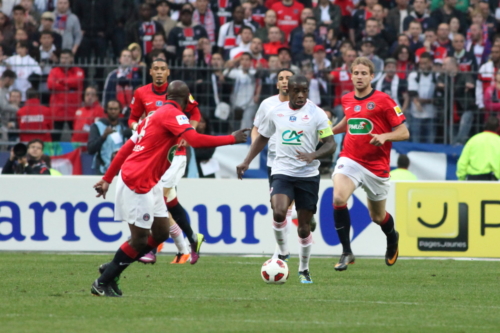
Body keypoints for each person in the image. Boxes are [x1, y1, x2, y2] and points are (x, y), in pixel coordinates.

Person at [91, 81, 249, 297]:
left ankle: (112, 268)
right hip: (138, 181)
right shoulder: (173, 114)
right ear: (185, 100)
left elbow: (127, 147)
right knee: (139, 239)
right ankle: (102, 281)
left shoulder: (153, 116)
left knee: (161, 232)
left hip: (151, 181)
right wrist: (232, 138)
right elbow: (194, 139)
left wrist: (107, 179)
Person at [237, 75, 335, 284]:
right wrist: (246, 161)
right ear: (288, 91)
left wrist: (314, 155)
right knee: (279, 211)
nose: (300, 95)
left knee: (304, 227)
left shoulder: (316, 113)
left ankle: (304, 269)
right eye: (296, 91)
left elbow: (330, 143)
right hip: (282, 171)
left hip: (308, 175)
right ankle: (282, 251)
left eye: (304, 91)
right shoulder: (276, 112)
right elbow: (262, 137)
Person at [330, 57, 409, 271]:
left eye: (364, 73)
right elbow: (348, 122)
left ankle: (392, 238)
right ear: (351, 75)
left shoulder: (384, 100)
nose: (359, 77)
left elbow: (404, 132)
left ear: (372, 76)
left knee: (377, 216)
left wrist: (385, 136)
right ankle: (347, 252)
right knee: (338, 197)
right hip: (350, 159)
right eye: (356, 73)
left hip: (376, 167)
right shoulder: (347, 99)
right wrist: (326, 132)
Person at [128, 58, 205, 265]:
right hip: (155, 155)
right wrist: (138, 128)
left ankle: (151, 248)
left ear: (168, 72)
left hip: (175, 154)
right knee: (169, 201)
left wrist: (189, 132)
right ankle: (192, 239)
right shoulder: (141, 93)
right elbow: (132, 118)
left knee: (157, 198)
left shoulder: (178, 91)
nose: (160, 72)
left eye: (163, 69)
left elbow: (195, 113)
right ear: (150, 72)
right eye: (156, 69)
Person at [47, 49, 84, 141]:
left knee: (76, 136)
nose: (64, 60)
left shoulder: (79, 70)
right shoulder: (54, 71)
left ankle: (76, 154)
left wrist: (60, 81)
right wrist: (68, 88)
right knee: (55, 136)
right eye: (62, 58)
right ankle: (52, 155)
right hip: (58, 109)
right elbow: (50, 84)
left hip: (73, 109)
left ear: (72, 59)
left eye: (66, 58)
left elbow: (77, 82)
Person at [87, 99, 129, 174]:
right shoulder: (97, 126)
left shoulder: (124, 129)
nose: (113, 111)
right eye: (110, 109)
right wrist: (103, 136)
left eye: (116, 109)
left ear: (120, 110)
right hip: (102, 170)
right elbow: (90, 148)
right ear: (106, 110)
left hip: (120, 171)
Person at [456, 116, 500, 181]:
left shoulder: (473, 140)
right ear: (498, 128)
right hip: (492, 180)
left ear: (485, 126)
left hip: (472, 179)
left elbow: (463, 162)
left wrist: (461, 178)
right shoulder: (498, 141)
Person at [224, 52, 260, 129]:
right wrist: (231, 67)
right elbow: (225, 74)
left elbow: (257, 78)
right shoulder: (237, 72)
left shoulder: (254, 72)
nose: (244, 62)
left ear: (251, 62)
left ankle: (245, 141)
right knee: (234, 126)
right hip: (235, 103)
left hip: (249, 103)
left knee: (246, 125)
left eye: (247, 60)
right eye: (242, 59)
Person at [407, 52, 437, 143]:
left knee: (430, 141)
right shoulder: (414, 75)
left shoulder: (436, 75)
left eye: (425, 63)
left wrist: (421, 100)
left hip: (431, 113)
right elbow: (412, 93)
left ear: (430, 63)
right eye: (421, 63)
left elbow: (438, 97)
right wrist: (429, 101)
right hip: (416, 114)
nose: (422, 66)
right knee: (416, 140)